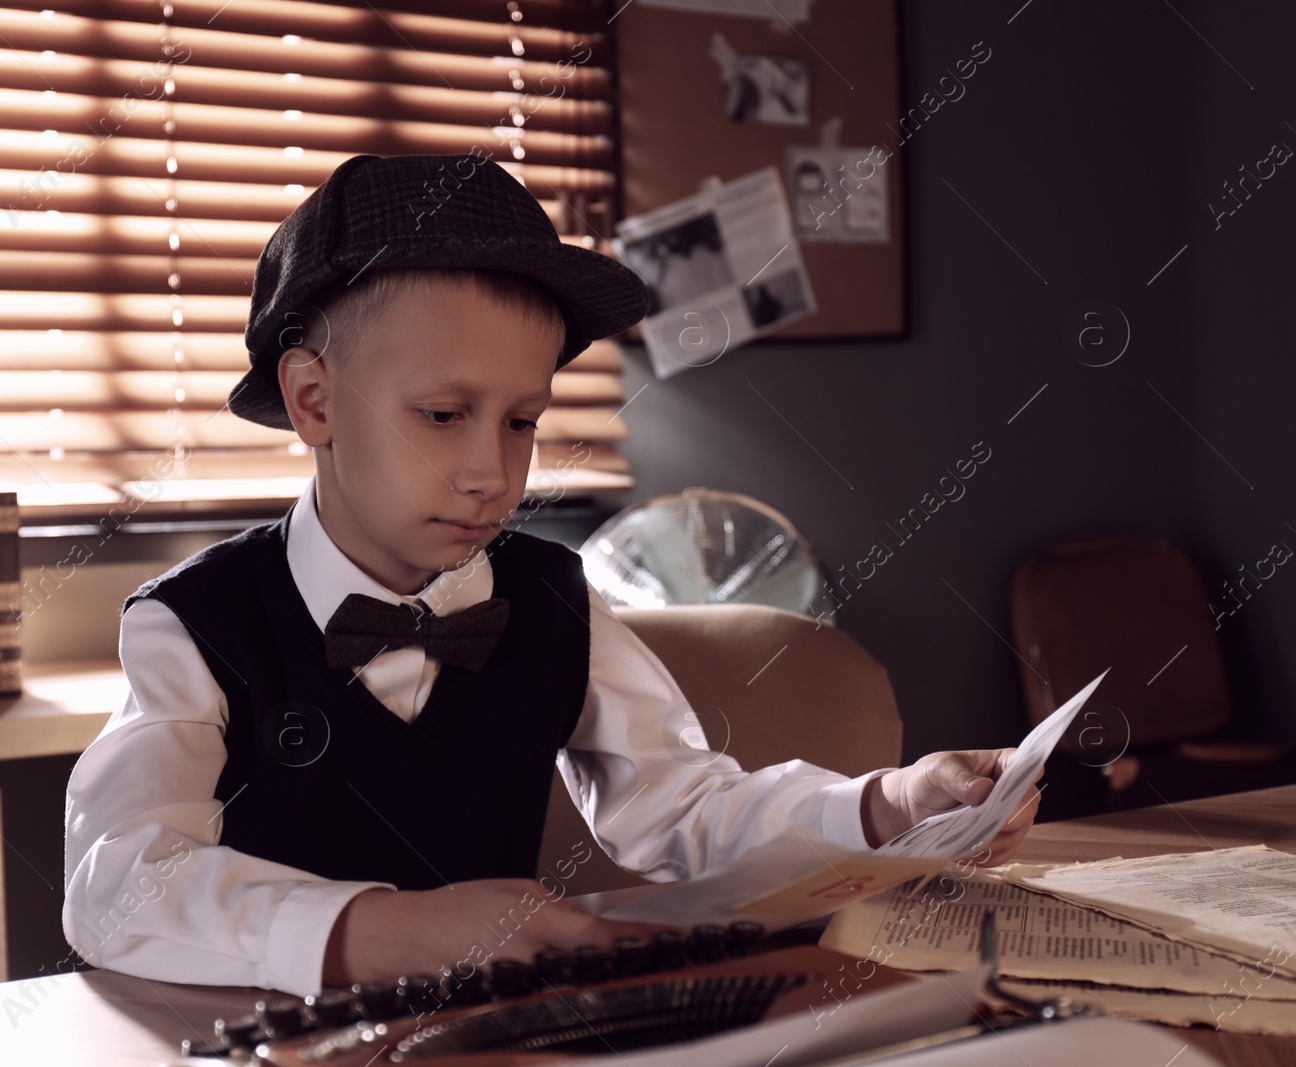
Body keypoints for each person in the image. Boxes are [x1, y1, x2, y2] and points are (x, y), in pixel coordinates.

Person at [61, 152, 1041, 998]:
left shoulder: (554, 600)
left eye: (522, 420)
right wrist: (386, 929)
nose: (494, 470)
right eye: (444, 413)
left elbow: (686, 806)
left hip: (499, 1033)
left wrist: (888, 803)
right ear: (314, 398)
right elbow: (113, 884)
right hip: (255, 1040)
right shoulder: (194, 623)